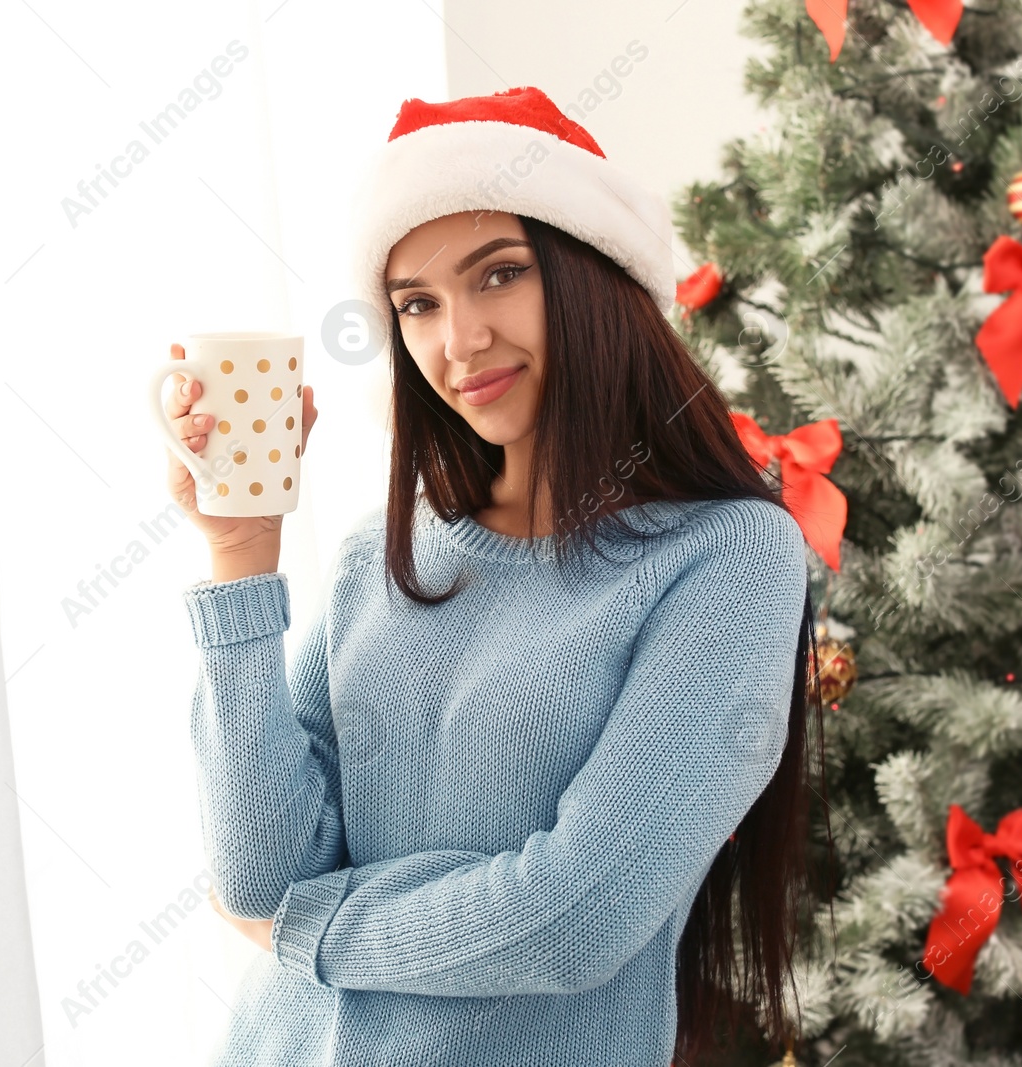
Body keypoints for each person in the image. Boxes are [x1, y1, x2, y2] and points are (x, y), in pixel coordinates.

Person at [160, 85, 826, 1067]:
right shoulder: (378, 551)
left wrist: (314, 932)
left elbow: (576, 914)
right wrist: (240, 552)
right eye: (416, 304)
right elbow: (259, 870)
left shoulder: (727, 559)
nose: (456, 340)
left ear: (595, 277)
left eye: (498, 274)